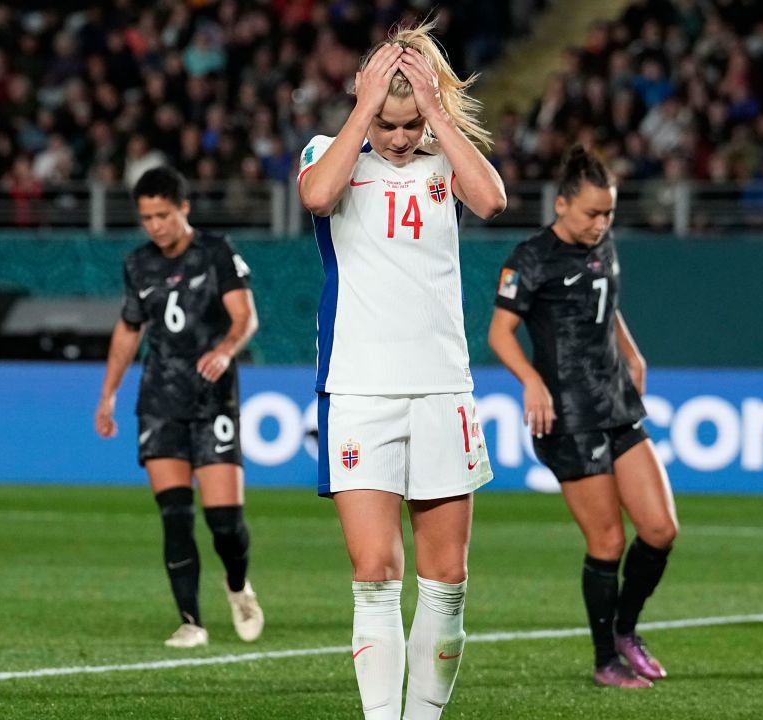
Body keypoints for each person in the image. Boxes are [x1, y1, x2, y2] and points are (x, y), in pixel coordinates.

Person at [297, 22, 506, 720]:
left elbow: (494, 201)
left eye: (408, 121)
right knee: (375, 576)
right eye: (387, 123)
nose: (396, 137)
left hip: (443, 388)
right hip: (358, 392)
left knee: (446, 581)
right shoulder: (329, 152)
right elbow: (316, 199)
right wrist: (362, 110)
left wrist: (439, 117)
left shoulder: (446, 159)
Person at [488, 146, 679, 689]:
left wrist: (632, 351)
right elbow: (499, 334)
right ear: (562, 203)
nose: (601, 223)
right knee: (608, 544)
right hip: (569, 415)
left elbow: (606, 303)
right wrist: (532, 382)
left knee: (661, 530)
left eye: (609, 214)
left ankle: (626, 629)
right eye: (592, 213)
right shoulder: (529, 259)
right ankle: (604, 661)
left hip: (616, 401)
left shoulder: (603, 244)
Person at [94, 166, 264, 649]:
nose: (155, 226)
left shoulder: (216, 252)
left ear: (183, 208)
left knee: (225, 523)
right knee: (174, 515)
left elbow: (244, 316)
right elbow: (129, 330)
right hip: (160, 402)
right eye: (147, 217)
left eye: (163, 215)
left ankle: (237, 586)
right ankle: (191, 621)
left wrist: (227, 349)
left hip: (213, 400)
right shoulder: (138, 265)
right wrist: (108, 394)